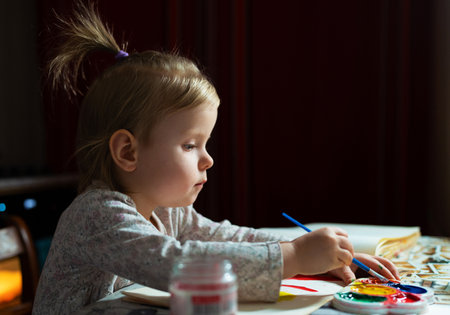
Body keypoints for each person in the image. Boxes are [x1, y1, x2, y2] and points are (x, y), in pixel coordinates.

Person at [32, 2, 400, 314]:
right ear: (128, 152)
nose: (207, 160)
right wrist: (295, 257)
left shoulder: (165, 210)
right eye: (190, 145)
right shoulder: (95, 215)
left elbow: (227, 237)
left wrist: (319, 255)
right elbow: (176, 264)